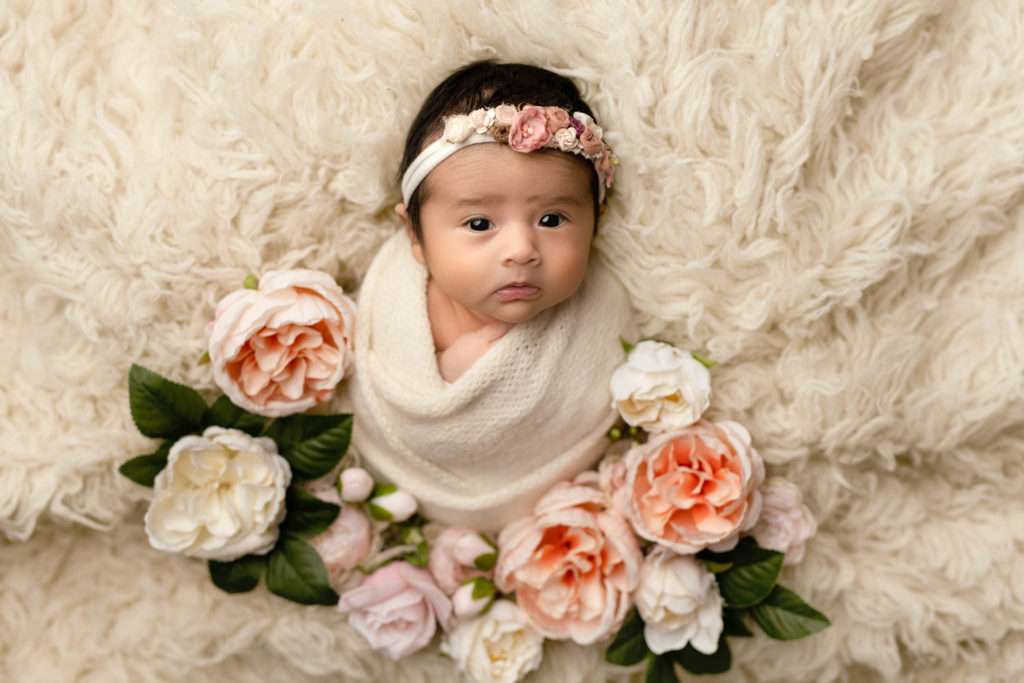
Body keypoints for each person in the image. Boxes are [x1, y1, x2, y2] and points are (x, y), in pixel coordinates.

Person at [344, 59, 636, 532]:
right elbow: (381, 386)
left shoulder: (600, 314)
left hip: (543, 513)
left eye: (553, 219)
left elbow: (605, 399)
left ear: (596, 223)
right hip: (410, 489)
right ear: (415, 238)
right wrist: (448, 364)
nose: (521, 250)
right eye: (480, 224)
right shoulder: (397, 302)